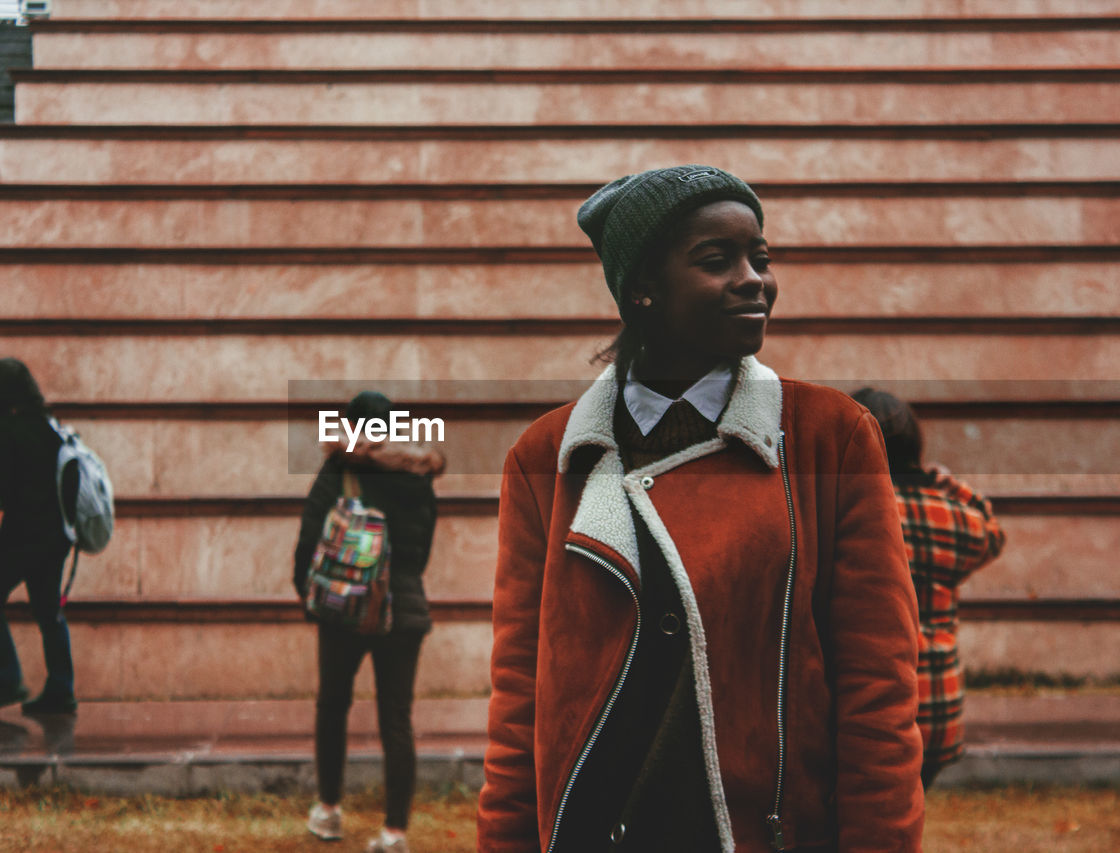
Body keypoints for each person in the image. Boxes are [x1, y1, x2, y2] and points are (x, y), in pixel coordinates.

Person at [477, 165, 925, 851]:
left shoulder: (830, 434)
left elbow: (878, 695)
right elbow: (520, 703)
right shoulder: (547, 457)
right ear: (643, 292)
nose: (754, 279)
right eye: (718, 260)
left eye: (761, 257)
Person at [294, 391, 445, 853]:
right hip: (404, 607)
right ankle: (395, 832)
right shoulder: (419, 476)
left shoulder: (341, 469)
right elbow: (422, 549)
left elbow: (309, 538)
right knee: (396, 717)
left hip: (345, 609)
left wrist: (310, 597)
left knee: (332, 704)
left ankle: (329, 811)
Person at [851, 387, 1006, 789]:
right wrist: (944, 481)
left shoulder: (851, 510)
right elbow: (991, 528)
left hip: (877, 711)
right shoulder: (950, 516)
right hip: (939, 712)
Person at [0, 357, 77, 716]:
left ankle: (7, 679)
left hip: (18, 540)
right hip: (53, 539)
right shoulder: (48, 427)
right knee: (48, 613)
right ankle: (61, 688)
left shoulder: (2, 431)